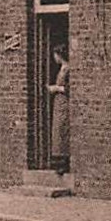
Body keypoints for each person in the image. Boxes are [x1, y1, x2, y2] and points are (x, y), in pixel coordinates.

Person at [48, 43, 72, 175]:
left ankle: (64, 162)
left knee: (62, 130)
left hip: (64, 103)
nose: (54, 57)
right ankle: (57, 160)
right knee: (57, 131)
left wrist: (56, 88)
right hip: (59, 103)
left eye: (55, 55)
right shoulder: (62, 69)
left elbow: (70, 88)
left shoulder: (68, 69)